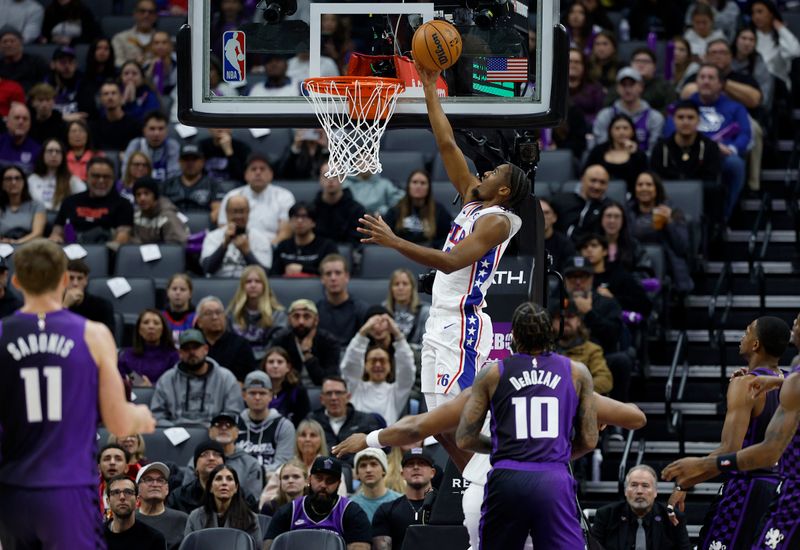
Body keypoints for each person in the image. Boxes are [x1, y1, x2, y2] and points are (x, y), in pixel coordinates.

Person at [359, 63, 526, 438]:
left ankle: (490, 479)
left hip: (462, 324)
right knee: (440, 429)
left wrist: (394, 241)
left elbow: (451, 263)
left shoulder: (499, 220)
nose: (484, 173)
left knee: (459, 423)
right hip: (439, 321)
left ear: (504, 190)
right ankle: (477, 483)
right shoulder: (472, 200)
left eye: (494, 173)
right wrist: (430, 86)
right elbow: (446, 142)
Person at [331, 380, 646, 550]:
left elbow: (418, 427)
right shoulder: (566, 385)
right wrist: (594, 418)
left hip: (487, 491)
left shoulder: (489, 385)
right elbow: (635, 416)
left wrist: (371, 439)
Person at [0, 239, 155, 550]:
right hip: (67, 487)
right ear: (64, 279)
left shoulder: (2, 333)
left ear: (16, 281)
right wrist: (142, 416)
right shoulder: (93, 334)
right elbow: (119, 422)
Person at [455, 301, 598, 550]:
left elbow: (465, 439)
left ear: (513, 336)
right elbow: (588, 440)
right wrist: (555, 452)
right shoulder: (577, 372)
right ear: (551, 334)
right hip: (553, 475)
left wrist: (503, 448)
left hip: (508, 475)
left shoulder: (492, 373)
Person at [666, 317, 789, 550]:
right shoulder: (791, 382)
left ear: (756, 345)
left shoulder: (745, 384)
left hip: (747, 487)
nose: (742, 337)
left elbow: (729, 451)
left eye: (747, 332)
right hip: (781, 490)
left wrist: (684, 483)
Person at [664, 63, 750, 221]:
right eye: (702, 77)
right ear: (696, 82)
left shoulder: (735, 107)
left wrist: (732, 148)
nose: (706, 81)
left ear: (721, 84)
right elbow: (670, 132)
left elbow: (745, 133)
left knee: (735, 164)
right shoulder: (682, 106)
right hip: (686, 153)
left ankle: (724, 217)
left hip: (721, 155)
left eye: (711, 78)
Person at [263, 456, 371, 550]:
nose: (323, 485)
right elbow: (269, 547)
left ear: (339, 483)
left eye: (330, 480)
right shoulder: (288, 511)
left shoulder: (352, 512)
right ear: (309, 479)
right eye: (319, 478)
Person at [150, 328, 245, 427]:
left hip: (215, 435)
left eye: (196, 347)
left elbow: (234, 414)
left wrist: (216, 429)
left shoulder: (226, 378)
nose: (191, 352)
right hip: (176, 435)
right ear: (180, 353)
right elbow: (157, 415)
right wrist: (176, 432)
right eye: (186, 348)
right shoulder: (167, 379)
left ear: (205, 349)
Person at [341, 309, 415, 425]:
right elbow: (351, 364)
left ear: (390, 367)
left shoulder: (396, 392)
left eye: (382, 361)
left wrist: (396, 333)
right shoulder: (355, 388)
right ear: (365, 366)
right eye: (373, 361)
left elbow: (407, 368)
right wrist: (363, 331)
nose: (378, 365)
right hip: (356, 438)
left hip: (386, 441)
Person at [592, 465, 691, 550]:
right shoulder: (606, 515)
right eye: (634, 485)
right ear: (626, 491)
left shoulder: (673, 518)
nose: (639, 491)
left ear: (655, 492)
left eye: (645, 485)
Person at [626, 171, 694, 293]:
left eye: (648, 184)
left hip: (666, 269)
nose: (644, 188)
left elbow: (682, 247)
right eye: (640, 185)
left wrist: (669, 223)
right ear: (634, 189)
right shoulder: (625, 213)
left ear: (657, 189)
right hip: (634, 264)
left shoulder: (673, 213)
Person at [50, 156, 133, 248]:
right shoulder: (70, 202)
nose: (101, 180)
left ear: (113, 179)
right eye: (96, 176)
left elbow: (123, 236)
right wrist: (56, 239)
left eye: (106, 177)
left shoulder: (123, 204)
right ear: (87, 177)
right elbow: (56, 232)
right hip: (71, 252)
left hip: (106, 252)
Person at [218, 153, 295, 246]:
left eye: (262, 169)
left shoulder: (284, 196)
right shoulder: (232, 196)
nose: (258, 173)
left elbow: (285, 233)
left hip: (272, 248)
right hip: (237, 246)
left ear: (271, 174)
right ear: (246, 175)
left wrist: (266, 250)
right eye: (253, 169)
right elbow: (223, 227)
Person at [371, 447, 437, 549]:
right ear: (402, 474)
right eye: (410, 464)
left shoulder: (443, 508)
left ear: (432, 472)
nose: (416, 467)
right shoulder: (386, 510)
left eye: (422, 463)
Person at [308, 376, 384, 464]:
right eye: (329, 393)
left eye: (338, 393)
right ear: (322, 399)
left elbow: (379, 452)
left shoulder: (366, 420)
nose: (334, 398)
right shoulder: (312, 421)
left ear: (348, 397)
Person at [592, 67, 664, 155]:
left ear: (641, 87)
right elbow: (601, 147)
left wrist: (636, 156)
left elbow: (654, 151)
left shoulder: (654, 117)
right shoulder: (605, 115)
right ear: (617, 88)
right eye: (623, 85)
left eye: (631, 84)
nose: (627, 89)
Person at [270, 299, 341, 387]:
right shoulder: (280, 340)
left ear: (316, 320)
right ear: (289, 320)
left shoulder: (329, 342)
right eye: (296, 316)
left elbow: (330, 380)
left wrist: (308, 356)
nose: (301, 322)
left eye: (306, 317)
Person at [236, 371, 296, 473]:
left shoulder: (284, 426)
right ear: (244, 395)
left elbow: (282, 465)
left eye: (262, 393)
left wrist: (255, 475)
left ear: (271, 395)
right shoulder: (234, 423)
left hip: (271, 483)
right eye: (252, 393)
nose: (257, 397)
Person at [550, 298, 613, 395]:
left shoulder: (592, 350)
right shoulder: (543, 351)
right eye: (560, 317)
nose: (565, 320)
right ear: (552, 323)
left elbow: (605, 380)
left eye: (570, 316)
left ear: (579, 321)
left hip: (579, 404)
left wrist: (574, 390)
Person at [184, 465, 262, 543]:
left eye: (229, 479)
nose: (224, 483)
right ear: (210, 487)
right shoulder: (195, 517)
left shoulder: (250, 519)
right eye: (218, 479)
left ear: (236, 488)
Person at [650, 100, 722, 183]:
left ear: (698, 120)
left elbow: (712, 181)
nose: (685, 122)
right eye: (680, 117)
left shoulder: (710, 148)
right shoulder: (661, 148)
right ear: (673, 120)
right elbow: (656, 181)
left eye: (690, 117)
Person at [201, 195, 274, 276]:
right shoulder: (213, 237)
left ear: (248, 212)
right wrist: (224, 245)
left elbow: (265, 274)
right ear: (227, 212)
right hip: (219, 286)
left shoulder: (261, 238)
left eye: (242, 211)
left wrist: (247, 252)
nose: (239, 216)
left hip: (249, 286)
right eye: (235, 211)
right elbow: (207, 269)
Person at [227, 265, 287, 360]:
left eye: (258, 281)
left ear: (265, 286)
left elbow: (275, 347)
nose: (253, 285)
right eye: (248, 281)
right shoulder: (232, 314)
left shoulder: (278, 315)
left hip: (267, 363)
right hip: (239, 362)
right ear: (242, 286)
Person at [382, 169, 451, 248]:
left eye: (423, 183)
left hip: (429, 254)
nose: (418, 186)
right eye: (414, 182)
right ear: (408, 186)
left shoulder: (439, 211)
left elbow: (446, 238)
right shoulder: (396, 210)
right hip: (400, 253)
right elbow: (387, 236)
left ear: (429, 188)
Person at [205, 411, 263, 504]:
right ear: (210, 432)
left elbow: (253, 501)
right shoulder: (200, 460)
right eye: (218, 424)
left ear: (237, 433)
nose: (223, 428)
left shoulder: (251, 464)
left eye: (229, 425)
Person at [195, 296, 258, 382]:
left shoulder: (240, 345)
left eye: (218, 312)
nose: (215, 317)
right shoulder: (194, 346)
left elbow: (249, 379)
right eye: (209, 313)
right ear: (199, 322)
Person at [271, 201, 338, 277]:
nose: (299, 221)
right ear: (290, 222)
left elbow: (332, 273)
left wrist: (303, 269)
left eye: (304, 217)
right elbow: (273, 275)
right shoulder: (283, 246)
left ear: (313, 222)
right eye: (295, 217)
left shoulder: (326, 246)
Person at [584, 112, 648, 192]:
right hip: (599, 192)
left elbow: (643, 179)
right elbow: (586, 174)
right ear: (610, 131)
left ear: (632, 131)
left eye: (625, 128)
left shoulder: (639, 154)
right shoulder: (598, 151)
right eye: (617, 128)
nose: (621, 132)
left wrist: (634, 154)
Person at [161, 143, 224, 223]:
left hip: (202, 227)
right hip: (172, 226)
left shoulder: (213, 185)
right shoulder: (167, 184)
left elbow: (218, 211)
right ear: (179, 161)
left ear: (202, 161)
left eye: (194, 159)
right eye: (186, 159)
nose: (190, 163)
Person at [316, 253, 369, 345]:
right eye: (328, 274)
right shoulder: (315, 311)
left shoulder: (362, 310)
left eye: (338, 273)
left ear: (347, 277)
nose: (333, 278)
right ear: (322, 279)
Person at [104, 475, 167, 550]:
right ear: (108, 501)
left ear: (137, 501)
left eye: (128, 492)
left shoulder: (154, 539)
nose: (122, 497)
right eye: (116, 492)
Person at [118, 308, 179, 386]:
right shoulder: (126, 357)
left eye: (156, 323)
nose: (151, 326)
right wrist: (139, 385)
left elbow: (175, 383)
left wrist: (151, 387)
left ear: (163, 329)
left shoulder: (173, 356)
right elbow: (122, 380)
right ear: (139, 329)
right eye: (146, 322)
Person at [550, 164, 612, 240]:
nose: (597, 186)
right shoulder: (561, 200)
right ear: (582, 179)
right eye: (593, 180)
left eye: (602, 182)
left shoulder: (610, 207)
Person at [136, 462, 189, 550]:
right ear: (138, 489)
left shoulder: (183, 519)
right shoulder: (129, 520)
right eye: (148, 480)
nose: (155, 484)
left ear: (167, 489)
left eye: (160, 480)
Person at [751, 0, 800, 92]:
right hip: (755, 83)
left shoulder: (780, 35)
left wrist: (781, 28)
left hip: (779, 86)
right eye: (753, 13)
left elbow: (795, 52)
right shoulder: (750, 36)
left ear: (771, 13)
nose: (756, 16)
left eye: (760, 12)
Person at [314, 160, 366, 245]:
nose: (330, 179)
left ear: (343, 178)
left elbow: (354, 242)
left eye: (335, 175)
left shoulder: (357, 210)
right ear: (320, 179)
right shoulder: (312, 208)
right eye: (326, 176)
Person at [27, 137, 86, 211]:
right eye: (50, 151)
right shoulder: (32, 179)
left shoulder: (72, 180)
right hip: (37, 218)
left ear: (63, 156)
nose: (54, 154)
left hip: (61, 219)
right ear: (43, 155)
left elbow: (85, 199)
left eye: (57, 151)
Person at [168, 441, 225, 514]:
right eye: (205, 454)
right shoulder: (179, 496)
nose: (211, 458)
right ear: (195, 467)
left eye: (216, 454)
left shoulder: (235, 492)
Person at [122, 111, 179, 182]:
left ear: (166, 130)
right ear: (144, 130)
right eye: (152, 129)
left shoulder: (172, 146)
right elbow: (125, 173)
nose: (156, 133)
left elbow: (173, 177)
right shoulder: (136, 144)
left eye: (161, 129)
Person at [130, 176, 188, 245]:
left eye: (146, 193)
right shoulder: (135, 215)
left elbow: (176, 248)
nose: (142, 198)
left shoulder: (169, 217)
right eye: (138, 195)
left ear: (155, 196)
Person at [62, 257, 114, 331]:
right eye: (71, 278)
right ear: (64, 280)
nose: (75, 283)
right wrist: (65, 305)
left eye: (80, 278)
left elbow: (108, 336)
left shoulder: (102, 306)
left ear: (86, 280)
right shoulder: (55, 304)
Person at [90, 80, 142, 152]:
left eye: (113, 93)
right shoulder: (95, 127)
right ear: (101, 99)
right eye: (106, 94)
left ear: (121, 97)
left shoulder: (134, 126)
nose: (110, 97)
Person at [263, 346, 310, 426]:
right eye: (271, 362)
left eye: (280, 362)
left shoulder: (298, 391)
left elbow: (303, 423)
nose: (275, 366)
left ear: (288, 367)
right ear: (265, 366)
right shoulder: (257, 391)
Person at [383, 268, 430, 346]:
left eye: (405, 284)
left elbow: (426, 345)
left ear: (412, 288)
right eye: (396, 284)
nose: (400, 288)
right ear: (391, 289)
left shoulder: (425, 312)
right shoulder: (383, 310)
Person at [0, 164, 45, 243]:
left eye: (17, 178)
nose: (13, 182)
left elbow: (38, 233)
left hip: (29, 246)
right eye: (8, 179)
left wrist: (16, 243)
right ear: (2, 184)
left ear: (24, 182)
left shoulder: (36, 206)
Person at [0, 26, 48, 92]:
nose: (8, 44)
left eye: (12, 41)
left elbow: (46, 82)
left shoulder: (36, 62)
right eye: (4, 42)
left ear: (21, 42)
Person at [112, 0, 157, 67]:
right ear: (135, 14)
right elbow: (117, 62)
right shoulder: (120, 38)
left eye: (151, 12)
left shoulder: (162, 40)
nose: (146, 15)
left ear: (155, 16)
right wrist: (133, 64)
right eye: (142, 11)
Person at [0, 102, 41, 174]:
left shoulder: (37, 150)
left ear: (30, 124)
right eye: (17, 118)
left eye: (25, 119)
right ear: (7, 122)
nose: (21, 122)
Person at [568, 47, 605, 126]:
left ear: (584, 66)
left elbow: (600, 114)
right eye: (569, 61)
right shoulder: (554, 89)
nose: (573, 65)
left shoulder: (595, 88)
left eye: (577, 62)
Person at [539, 198, 576, 273]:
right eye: (538, 212)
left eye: (546, 213)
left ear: (554, 217)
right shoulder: (522, 243)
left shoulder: (565, 244)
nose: (542, 216)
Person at [118, 61, 160, 125]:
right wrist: (121, 105)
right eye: (126, 73)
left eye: (134, 73)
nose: (130, 77)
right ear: (121, 77)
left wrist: (132, 103)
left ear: (142, 78)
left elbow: (148, 121)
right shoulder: (115, 92)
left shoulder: (149, 95)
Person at [162, 272, 195, 342]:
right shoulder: (160, 318)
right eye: (174, 289)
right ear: (167, 292)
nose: (178, 292)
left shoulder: (197, 319)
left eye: (182, 289)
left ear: (190, 294)